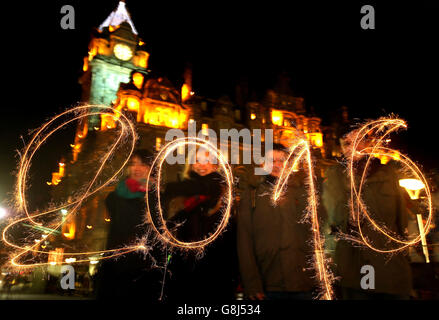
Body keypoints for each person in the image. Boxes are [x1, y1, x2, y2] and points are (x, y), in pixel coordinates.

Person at [322, 133, 413, 300]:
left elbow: (401, 219)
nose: (352, 147)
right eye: (346, 143)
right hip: (355, 266)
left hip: (388, 267)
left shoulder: (388, 174)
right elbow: (330, 218)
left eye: (358, 141)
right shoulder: (335, 175)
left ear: (367, 144)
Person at [237, 143, 316, 300]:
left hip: (302, 282)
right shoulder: (252, 195)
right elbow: (244, 242)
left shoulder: (303, 193)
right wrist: (252, 284)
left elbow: (313, 235)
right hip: (269, 282)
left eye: (281, 161)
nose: (277, 165)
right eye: (271, 160)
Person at [163, 147, 238, 301]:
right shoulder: (182, 195)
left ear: (216, 166)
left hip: (215, 269)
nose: (201, 165)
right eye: (197, 160)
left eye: (207, 161)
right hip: (184, 267)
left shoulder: (221, 191)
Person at [96, 149, 162, 300]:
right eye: (133, 164)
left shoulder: (156, 196)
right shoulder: (114, 196)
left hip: (142, 268)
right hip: (115, 264)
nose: (137, 168)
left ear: (152, 169)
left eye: (143, 164)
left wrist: (150, 193)